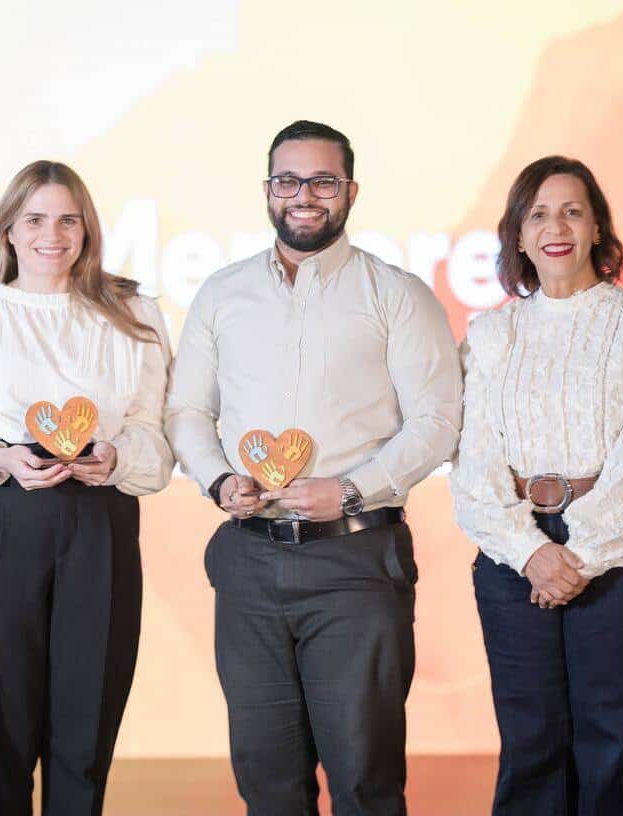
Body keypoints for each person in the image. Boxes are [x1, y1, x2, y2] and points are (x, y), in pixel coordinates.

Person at [166, 120, 462, 815]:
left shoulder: (397, 294)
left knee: (364, 778)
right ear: (267, 191)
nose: (303, 196)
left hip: (356, 565)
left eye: (321, 181)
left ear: (349, 191)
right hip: (248, 562)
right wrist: (218, 480)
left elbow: (437, 423)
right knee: (267, 782)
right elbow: (186, 411)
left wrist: (351, 490)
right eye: (287, 181)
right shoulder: (221, 292)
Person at [0, 160, 173, 816]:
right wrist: (0, 458)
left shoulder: (132, 314)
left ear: (86, 230)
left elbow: (154, 436)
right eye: (34, 218)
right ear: (7, 229)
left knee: (84, 737)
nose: (51, 234)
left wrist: (114, 458)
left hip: (100, 525)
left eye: (67, 219)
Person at [452, 155, 623, 815]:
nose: (553, 226)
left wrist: (578, 556)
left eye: (571, 210)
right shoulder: (489, 335)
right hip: (514, 556)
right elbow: (472, 459)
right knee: (530, 742)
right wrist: (532, 553)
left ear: (596, 229)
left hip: (620, 553)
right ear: (518, 235)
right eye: (537, 213)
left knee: (615, 741)